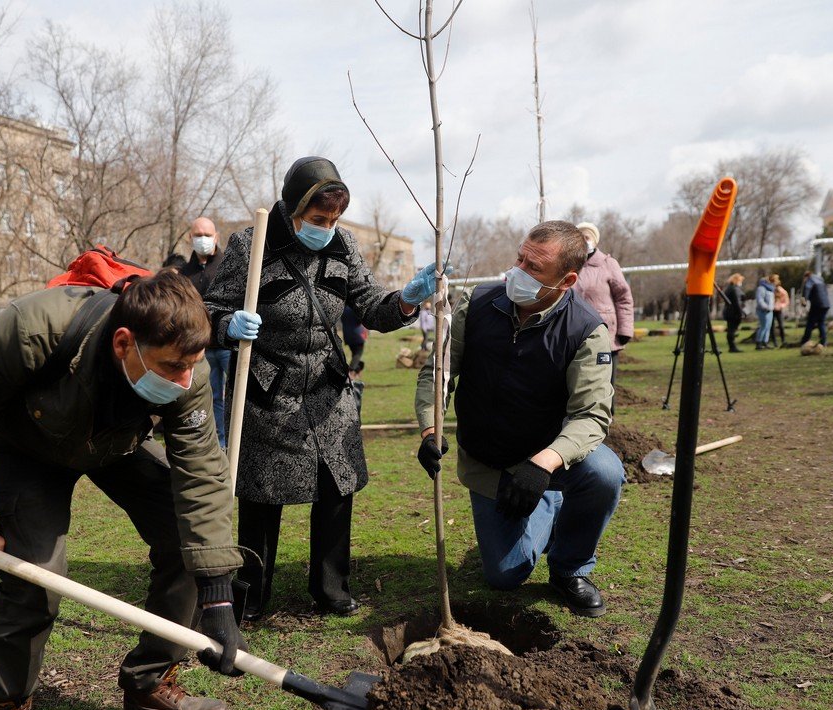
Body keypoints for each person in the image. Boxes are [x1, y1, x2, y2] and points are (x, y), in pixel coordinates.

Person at [0, 272, 246, 710]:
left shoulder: (187, 365)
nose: (184, 381)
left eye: (190, 368)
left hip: (115, 443)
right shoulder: (34, 329)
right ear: (124, 343)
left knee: (184, 542)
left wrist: (218, 594)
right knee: (37, 574)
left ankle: (148, 687)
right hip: (28, 445)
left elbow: (203, 474)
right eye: (171, 368)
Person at [204, 156, 438, 620]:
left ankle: (331, 589)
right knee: (262, 496)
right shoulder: (252, 244)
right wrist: (228, 323)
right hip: (268, 389)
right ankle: (250, 594)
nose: (326, 228)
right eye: (317, 220)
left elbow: (371, 306)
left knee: (337, 487)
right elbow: (208, 311)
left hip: (328, 389)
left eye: (333, 220)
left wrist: (407, 301)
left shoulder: (344, 245)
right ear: (292, 210)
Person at [413, 220, 622, 618]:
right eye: (519, 258)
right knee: (506, 576)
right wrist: (429, 428)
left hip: (548, 457)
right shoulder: (477, 304)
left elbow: (591, 415)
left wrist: (544, 463)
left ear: (567, 280)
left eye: (534, 268)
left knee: (604, 473)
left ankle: (569, 568)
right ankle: (549, 506)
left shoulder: (585, 329)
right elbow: (437, 373)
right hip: (489, 459)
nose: (518, 272)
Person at [179, 217, 230, 446]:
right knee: (211, 397)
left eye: (207, 235)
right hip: (202, 348)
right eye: (198, 235)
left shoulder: (229, 264)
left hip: (230, 344)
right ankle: (218, 443)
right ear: (190, 237)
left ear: (216, 237)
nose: (203, 239)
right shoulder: (184, 273)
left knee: (241, 396)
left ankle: (239, 441)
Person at [573, 222, 634, 391]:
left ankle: (608, 416)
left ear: (595, 240)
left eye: (587, 237)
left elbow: (624, 298)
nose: (584, 241)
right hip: (576, 333)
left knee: (605, 383)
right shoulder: (571, 264)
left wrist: (625, 331)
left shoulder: (608, 264)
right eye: (580, 238)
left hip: (606, 334)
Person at [799, 271, 831, 348]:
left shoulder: (810, 280)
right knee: (821, 323)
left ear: (806, 276)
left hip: (817, 304)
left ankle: (805, 341)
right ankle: (824, 341)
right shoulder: (820, 280)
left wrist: (804, 301)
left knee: (810, 323)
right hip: (826, 304)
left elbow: (807, 288)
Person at [722, 273, 745, 353]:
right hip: (733, 313)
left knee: (731, 329)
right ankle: (732, 347)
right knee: (732, 330)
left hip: (729, 311)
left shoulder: (729, 288)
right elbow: (737, 302)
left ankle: (732, 346)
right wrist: (740, 313)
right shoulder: (734, 289)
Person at [754, 273, 775, 349]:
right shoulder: (761, 288)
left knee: (768, 327)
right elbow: (760, 300)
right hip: (763, 311)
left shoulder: (771, 289)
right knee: (763, 326)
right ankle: (759, 342)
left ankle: (765, 342)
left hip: (770, 310)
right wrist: (765, 307)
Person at [770, 274, 789, 347]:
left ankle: (783, 340)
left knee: (781, 325)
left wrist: (781, 306)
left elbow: (786, 300)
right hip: (771, 309)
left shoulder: (781, 290)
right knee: (772, 326)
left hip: (778, 309)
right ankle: (774, 342)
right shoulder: (769, 289)